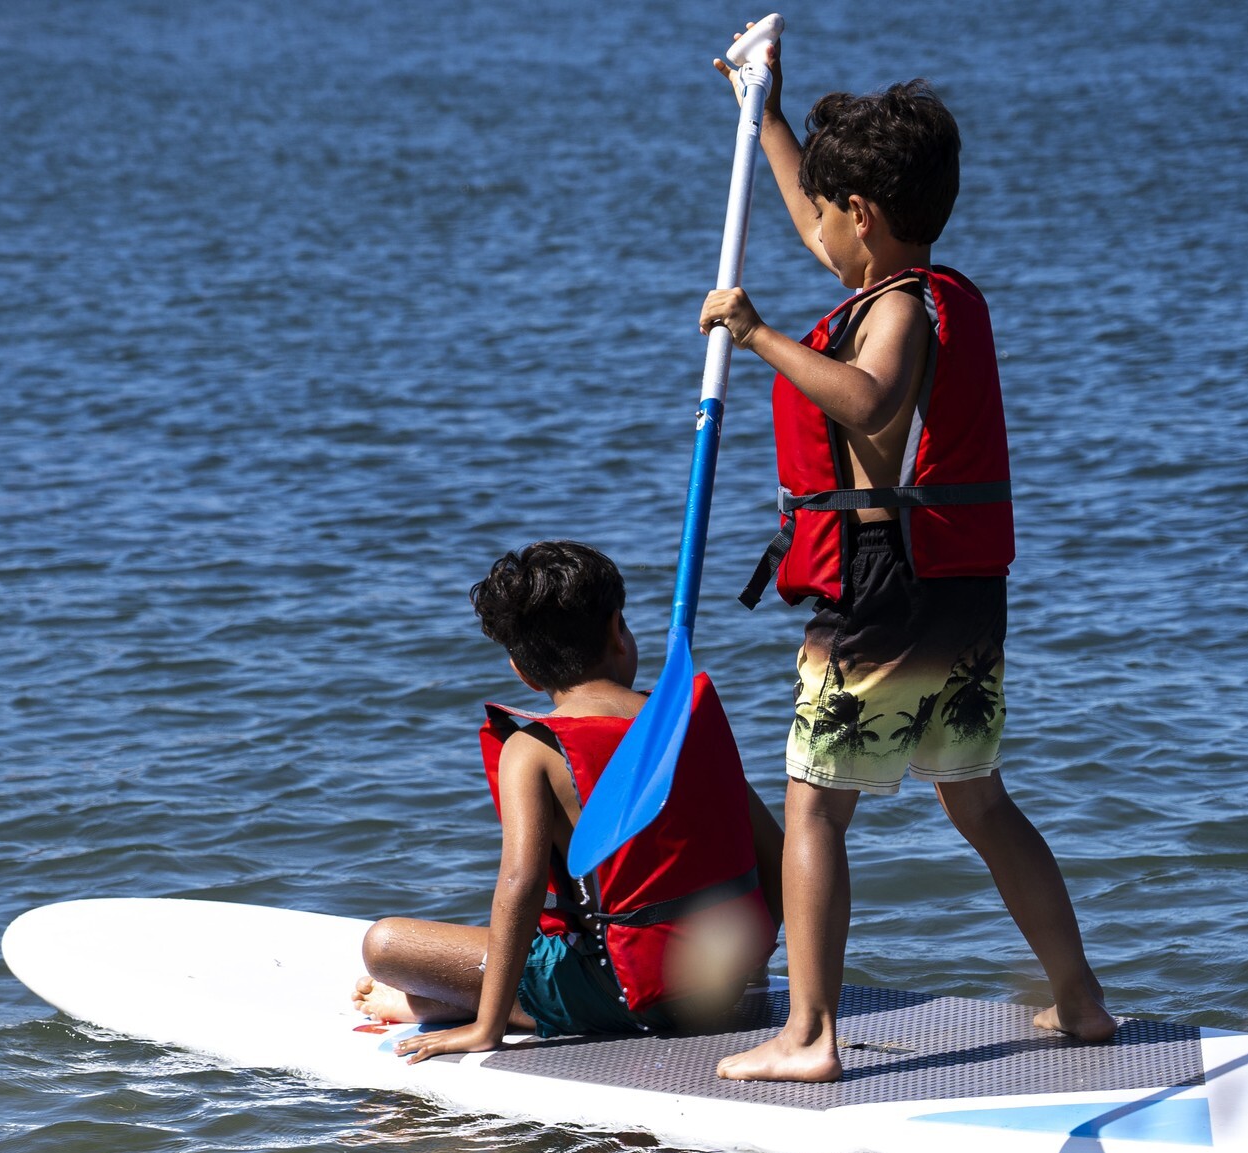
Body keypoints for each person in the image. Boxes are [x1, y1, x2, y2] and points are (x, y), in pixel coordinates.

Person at [698, 43, 1116, 1083]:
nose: (816, 233)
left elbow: (872, 401)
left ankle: (810, 1036)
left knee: (812, 803)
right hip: (963, 595)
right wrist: (768, 114)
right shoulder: (922, 288)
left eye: (829, 216)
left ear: (865, 216)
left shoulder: (890, 312)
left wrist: (753, 335)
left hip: (882, 591)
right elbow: (808, 215)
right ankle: (1082, 1001)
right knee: (976, 797)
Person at [355, 541, 783, 1060]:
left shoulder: (533, 750)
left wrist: (486, 1030)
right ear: (618, 630)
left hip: (629, 997)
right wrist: (748, 971)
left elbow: (521, 886)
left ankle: (460, 1007)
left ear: (521, 671)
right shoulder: (680, 721)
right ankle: (464, 1000)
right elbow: (777, 860)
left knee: (385, 945)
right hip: (722, 980)